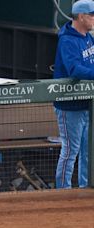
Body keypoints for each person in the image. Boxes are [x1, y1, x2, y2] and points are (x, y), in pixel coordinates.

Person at [53, 0, 94, 189]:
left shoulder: (88, 37)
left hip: (87, 104)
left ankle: (86, 188)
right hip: (69, 105)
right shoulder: (67, 39)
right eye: (92, 15)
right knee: (70, 151)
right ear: (81, 16)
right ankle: (62, 191)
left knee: (88, 151)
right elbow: (74, 69)